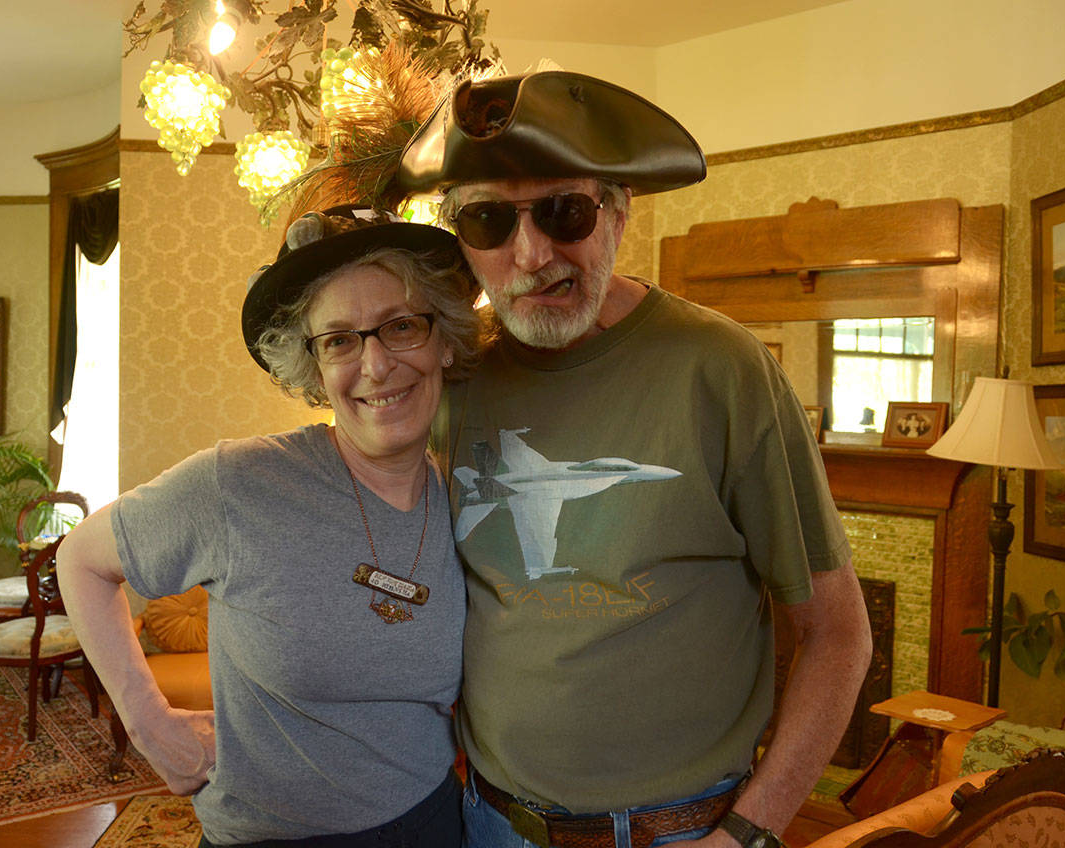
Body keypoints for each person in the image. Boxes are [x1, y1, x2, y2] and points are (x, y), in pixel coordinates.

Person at [396, 71, 875, 848]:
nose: (531, 254)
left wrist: (749, 834)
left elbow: (838, 633)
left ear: (618, 213)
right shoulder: (453, 375)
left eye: (565, 211)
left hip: (680, 832)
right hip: (489, 822)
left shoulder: (722, 369)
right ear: (461, 241)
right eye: (488, 220)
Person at [57, 205, 484, 847]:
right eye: (339, 340)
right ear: (314, 366)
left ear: (443, 339)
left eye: (401, 326)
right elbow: (81, 559)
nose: (374, 365)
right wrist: (148, 722)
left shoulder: (468, 497)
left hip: (433, 825)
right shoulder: (240, 483)